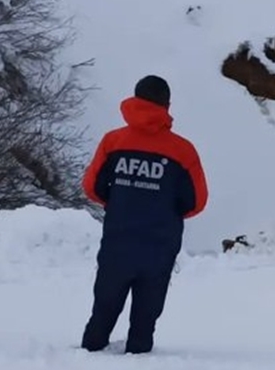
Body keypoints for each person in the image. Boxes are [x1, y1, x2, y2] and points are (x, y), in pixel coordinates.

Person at [80, 75, 208, 354]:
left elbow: (92, 187)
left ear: (135, 100)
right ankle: (139, 359)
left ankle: (89, 353)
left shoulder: (113, 142)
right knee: (146, 314)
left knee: (104, 306)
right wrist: (165, 210)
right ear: (167, 104)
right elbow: (197, 201)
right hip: (160, 244)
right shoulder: (182, 150)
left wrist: (120, 203)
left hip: (118, 239)